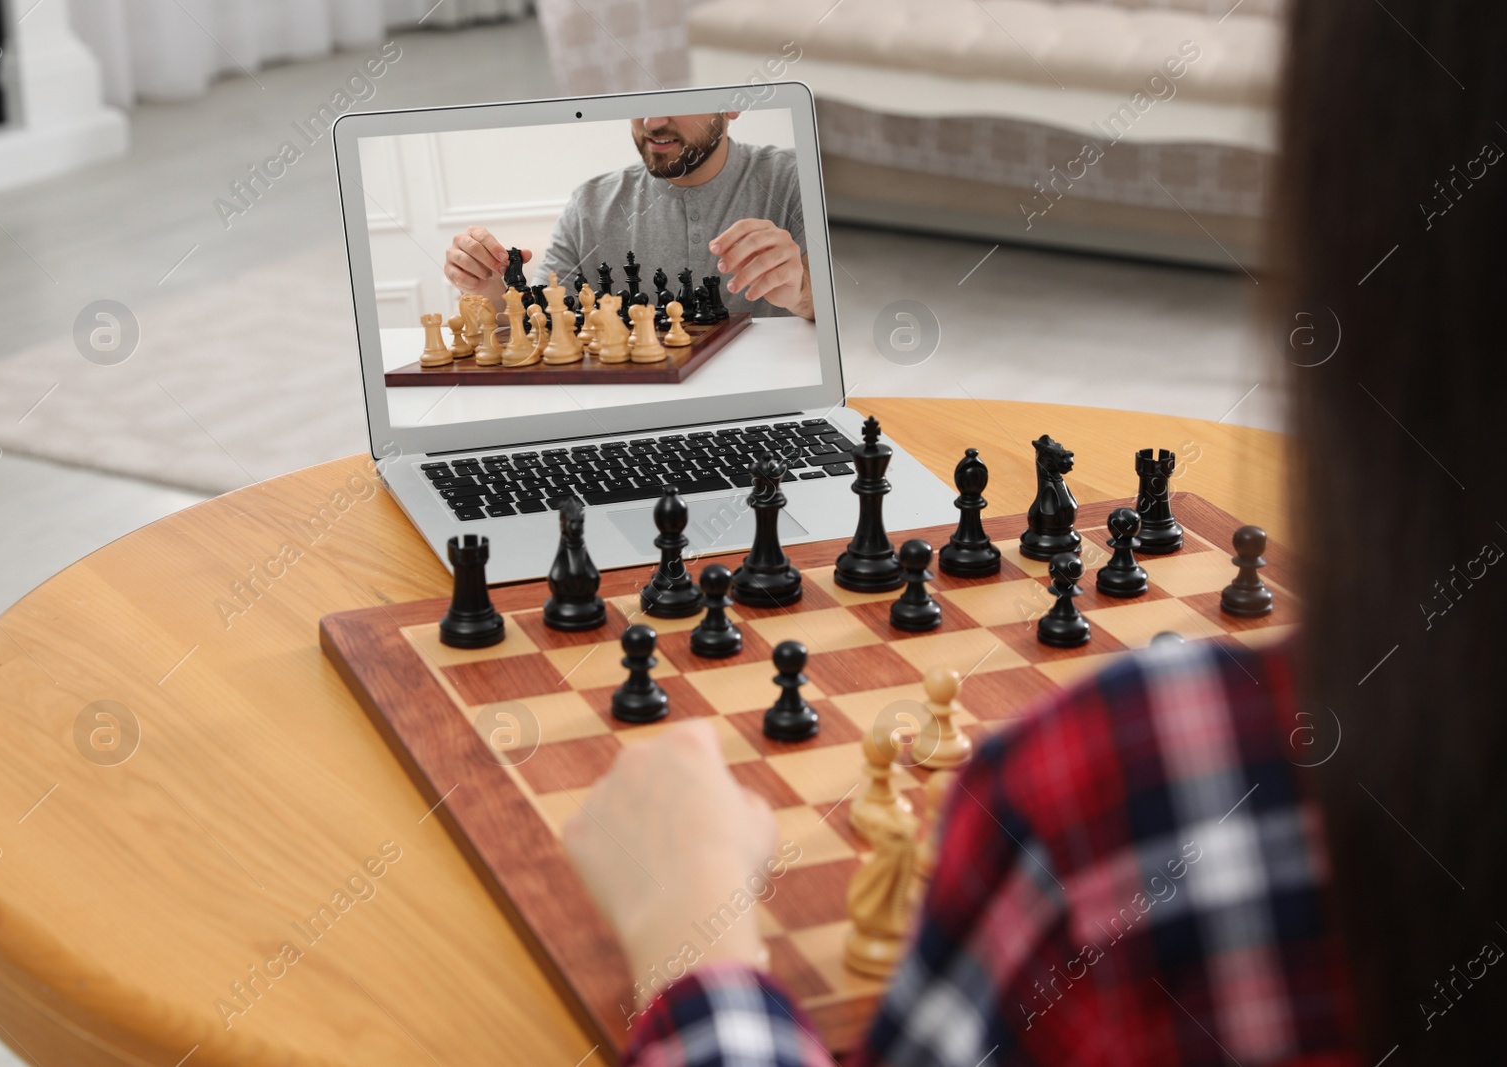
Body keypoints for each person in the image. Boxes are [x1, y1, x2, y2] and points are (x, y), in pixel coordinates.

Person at [562, 0, 1507, 1062]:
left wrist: (694, 945)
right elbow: (543, 315)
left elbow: (828, 322)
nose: (656, 132)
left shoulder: (1127, 790)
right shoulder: (593, 200)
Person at [444, 113, 813, 321]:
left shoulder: (798, 177)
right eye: (639, 99)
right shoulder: (589, 204)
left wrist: (800, 291)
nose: (653, 121)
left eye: (675, 97)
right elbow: (537, 321)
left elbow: (841, 313)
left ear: (730, 103)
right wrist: (489, 290)